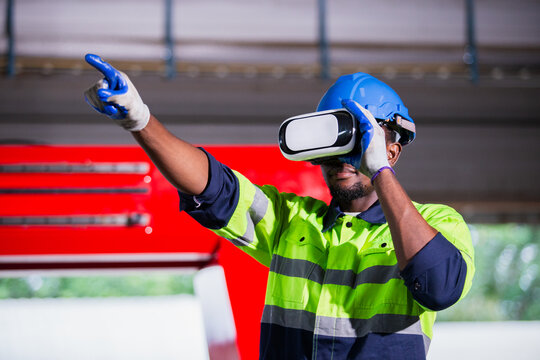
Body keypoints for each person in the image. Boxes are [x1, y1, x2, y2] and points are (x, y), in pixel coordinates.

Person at [84, 54, 475, 360]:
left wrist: (380, 171)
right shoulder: (292, 221)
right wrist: (140, 119)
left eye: (358, 142)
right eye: (336, 141)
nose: (344, 158)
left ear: (391, 148)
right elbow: (213, 186)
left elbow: (439, 287)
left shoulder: (437, 223)